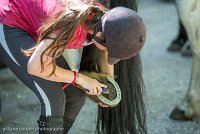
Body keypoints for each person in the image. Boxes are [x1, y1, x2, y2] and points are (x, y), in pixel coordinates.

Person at [0, 0, 146, 133]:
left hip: (38, 28)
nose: (107, 51)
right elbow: (35, 67)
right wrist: (80, 78)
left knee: (75, 98)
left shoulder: (103, 18)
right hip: (10, 24)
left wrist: (107, 84)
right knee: (54, 98)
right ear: (100, 36)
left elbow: (105, 49)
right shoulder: (71, 24)